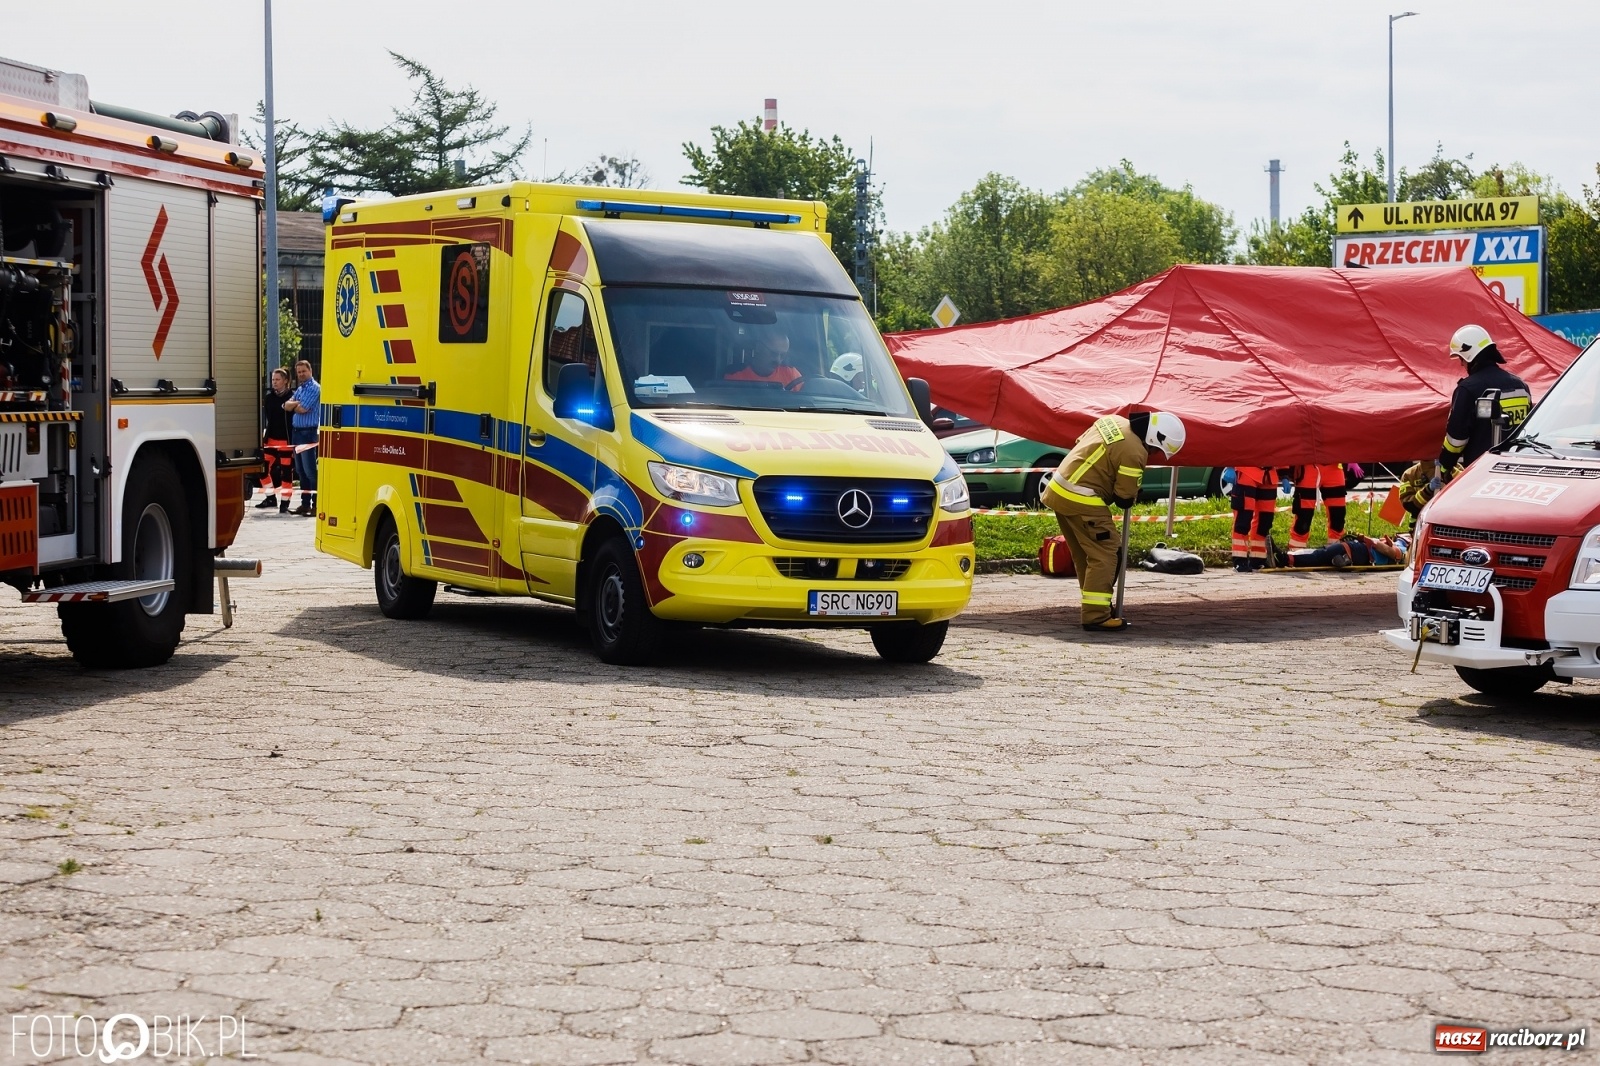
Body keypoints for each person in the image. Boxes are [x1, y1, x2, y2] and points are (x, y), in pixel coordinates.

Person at [1040, 410, 1186, 632]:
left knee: (1085, 553)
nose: (1154, 454)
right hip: (1081, 496)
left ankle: (1095, 605)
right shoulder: (1135, 451)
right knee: (1108, 552)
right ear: (1155, 438)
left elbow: (1081, 443)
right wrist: (1133, 490)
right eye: (1156, 449)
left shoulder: (1112, 421)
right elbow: (1124, 498)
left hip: (1059, 489)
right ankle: (1097, 616)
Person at [1438, 324, 1532, 480]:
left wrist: (1445, 465)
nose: (1461, 363)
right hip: (1517, 471)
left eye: (1461, 358)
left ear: (1469, 355)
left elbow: (1456, 440)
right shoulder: (1520, 386)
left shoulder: (1468, 389)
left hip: (1482, 474)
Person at [282, 359, 320, 516]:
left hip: (308, 432)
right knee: (301, 471)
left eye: (304, 371)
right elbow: (285, 406)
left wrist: (293, 404)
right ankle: (304, 505)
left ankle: (316, 505)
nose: (301, 374)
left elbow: (302, 409)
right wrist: (293, 404)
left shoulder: (314, 388)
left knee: (310, 471)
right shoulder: (300, 389)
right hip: (296, 432)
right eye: (298, 372)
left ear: (310, 371)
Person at [257, 367, 295, 513]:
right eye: (273, 379)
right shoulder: (269, 398)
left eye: (277, 379)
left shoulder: (292, 396)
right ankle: (270, 497)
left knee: (286, 473)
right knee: (262, 468)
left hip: (286, 441)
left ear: (286, 381)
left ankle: (285, 503)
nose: (274, 382)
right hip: (271, 439)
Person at [1230, 466, 1281, 572]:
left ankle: (1258, 559)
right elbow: (1230, 449)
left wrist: (1285, 474)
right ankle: (1240, 560)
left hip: (1269, 475)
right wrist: (1230, 466)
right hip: (1247, 471)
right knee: (1243, 520)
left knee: (1265, 521)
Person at [1287, 464, 1347, 551]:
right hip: (1308, 465)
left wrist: (1351, 460)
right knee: (1304, 515)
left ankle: (1336, 549)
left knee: (1338, 514)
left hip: (1334, 466)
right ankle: (1296, 551)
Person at [1284, 532, 1409, 569]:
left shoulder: (1401, 550)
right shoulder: (1398, 548)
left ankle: (1285, 558)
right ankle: (1288, 557)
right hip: (1359, 554)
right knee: (1320, 555)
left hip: (1355, 550)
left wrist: (1364, 538)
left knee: (1319, 555)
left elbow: (1388, 551)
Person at [725, 328, 800, 386]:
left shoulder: (792, 376)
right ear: (759, 348)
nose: (778, 360)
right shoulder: (734, 376)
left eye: (783, 355)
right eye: (773, 353)